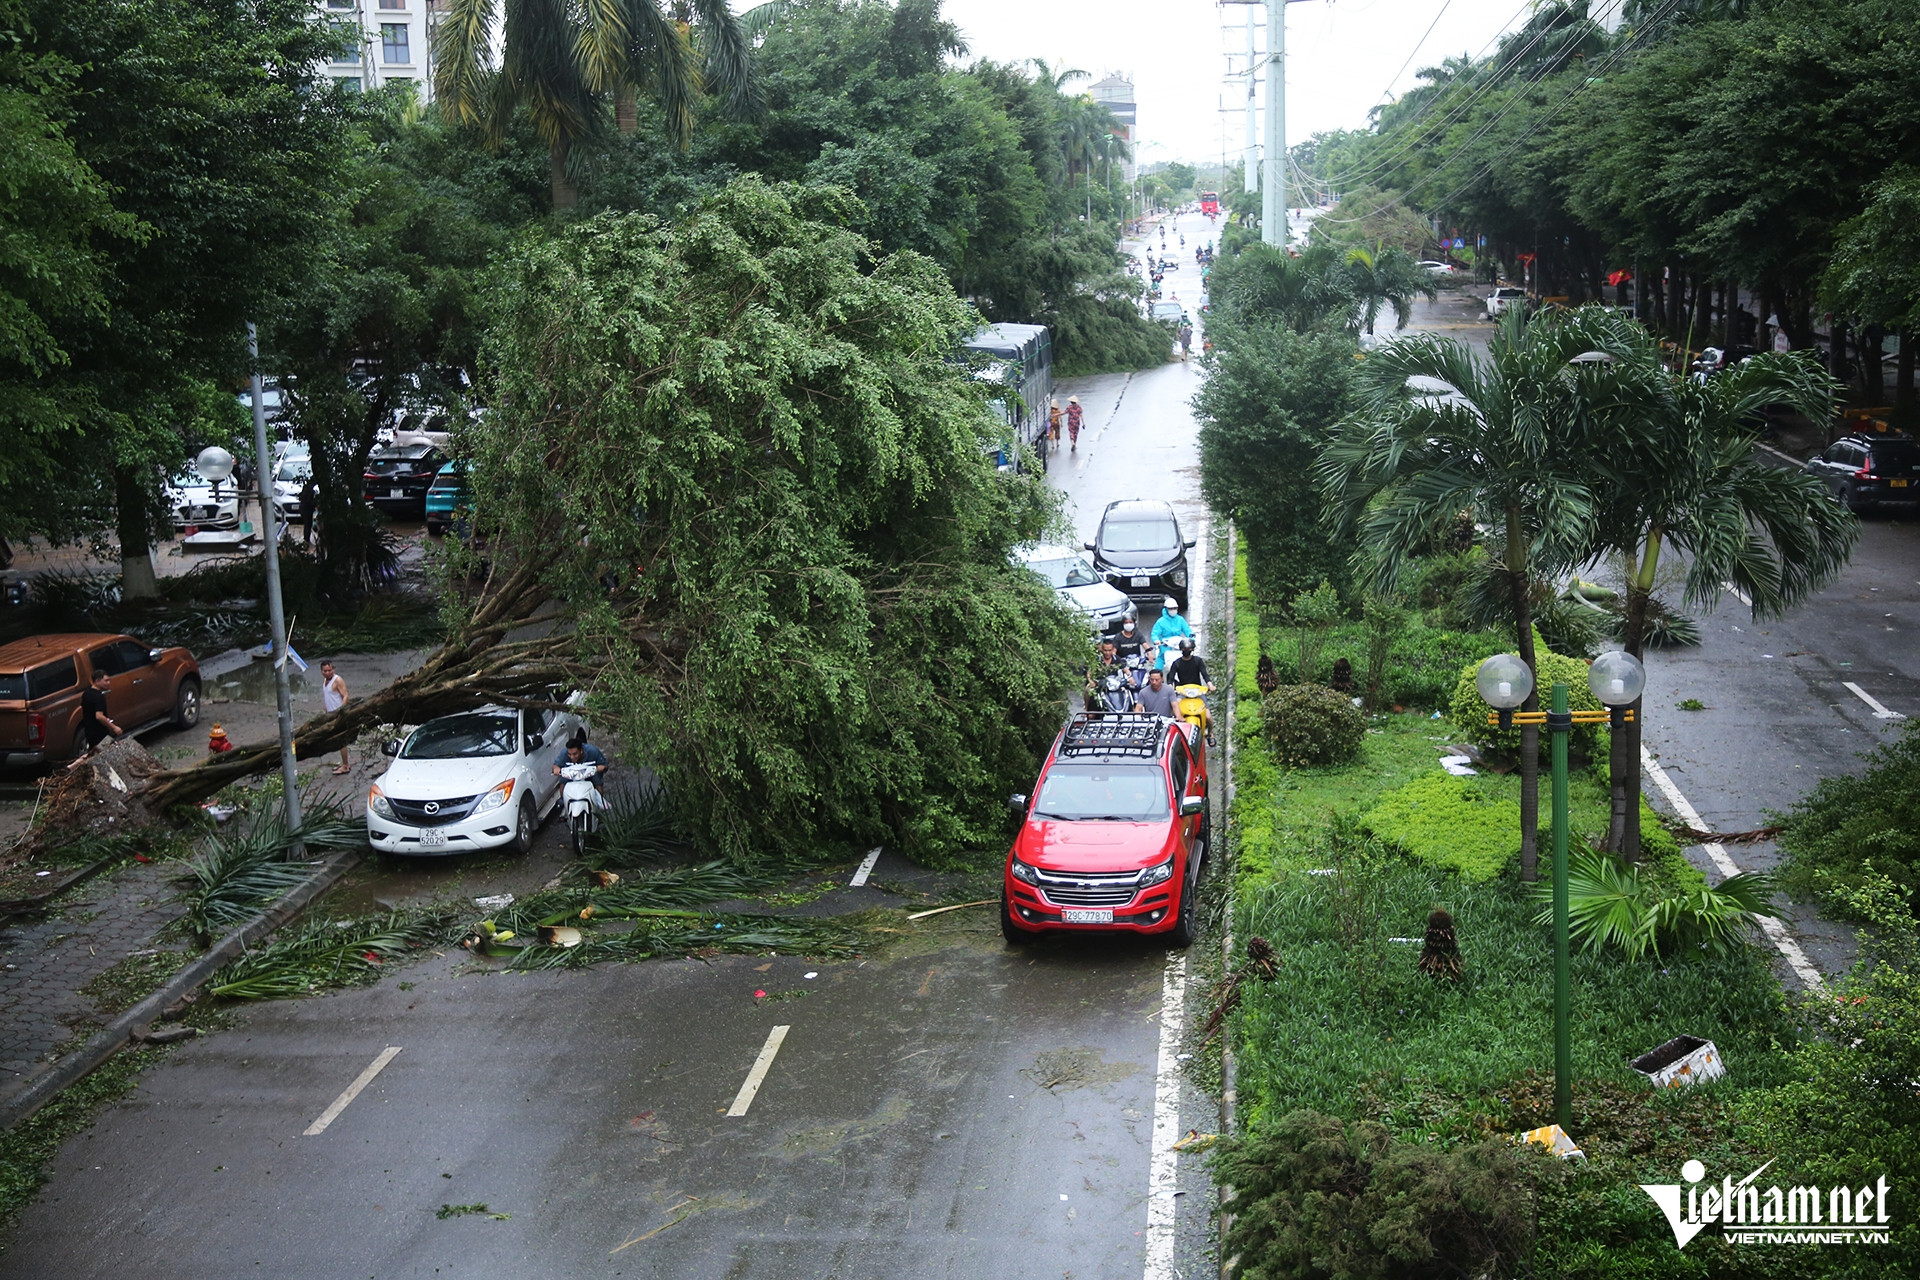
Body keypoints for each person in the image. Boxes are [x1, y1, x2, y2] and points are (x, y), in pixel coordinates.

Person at [72, 668, 120, 765]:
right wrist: (114, 727)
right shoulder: (98, 696)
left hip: (89, 730)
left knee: (94, 752)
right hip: (99, 732)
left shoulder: (86, 694)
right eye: (106, 680)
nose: (108, 683)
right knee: (110, 751)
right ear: (97, 681)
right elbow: (98, 716)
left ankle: (72, 766)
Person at [552, 735, 610, 801]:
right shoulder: (564, 753)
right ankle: (563, 800)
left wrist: (601, 767)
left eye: (575, 754)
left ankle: (600, 801)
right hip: (572, 774)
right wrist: (556, 769)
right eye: (569, 754)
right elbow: (556, 765)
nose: (572, 757)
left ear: (581, 751)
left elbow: (604, 764)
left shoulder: (593, 751)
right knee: (563, 781)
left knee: (597, 780)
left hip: (590, 774)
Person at [319, 661, 351, 775]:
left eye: (330, 670)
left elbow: (345, 695)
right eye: (325, 671)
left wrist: (341, 711)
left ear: (333, 670)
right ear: (322, 671)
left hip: (339, 715)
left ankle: (346, 765)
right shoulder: (325, 681)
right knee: (337, 740)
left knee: (341, 740)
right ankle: (343, 762)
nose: (327, 673)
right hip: (330, 715)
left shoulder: (337, 680)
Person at [1150, 597, 1193, 669]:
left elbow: (1187, 630)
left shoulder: (1180, 619)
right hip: (1165, 646)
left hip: (1178, 645)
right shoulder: (1161, 621)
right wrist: (1156, 640)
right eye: (1171, 608)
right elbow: (1155, 633)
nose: (1173, 610)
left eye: (1175, 608)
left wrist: (1191, 637)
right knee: (1159, 663)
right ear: (1166, 609)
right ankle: (1157, 675)